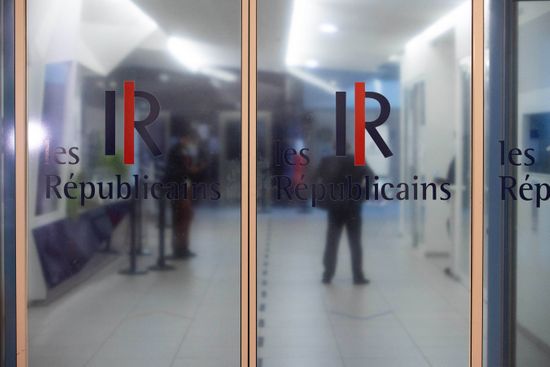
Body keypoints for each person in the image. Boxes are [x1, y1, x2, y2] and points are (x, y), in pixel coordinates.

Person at [315, 154, 374, 285]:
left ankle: (327, 275)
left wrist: (323, 193)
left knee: (332, 241)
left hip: (334, 206)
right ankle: (358, 276)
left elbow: (314, 178)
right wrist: (364, 194)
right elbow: (371, 176)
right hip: (353, 205)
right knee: (355, 242)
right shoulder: (357, 159)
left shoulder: (327, 160)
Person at [164, 125, 204, 259]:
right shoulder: (176, 151)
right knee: (180, 219)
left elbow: (187, 169)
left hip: (185, 188)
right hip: (177, 189)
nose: (192, 143)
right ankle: (178, 250)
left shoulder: (185, 151)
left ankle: (184, 247)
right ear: (185, 138)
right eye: (191, 140)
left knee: (186, 218)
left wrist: (193, 171)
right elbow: (174, 171)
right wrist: (189, 170)